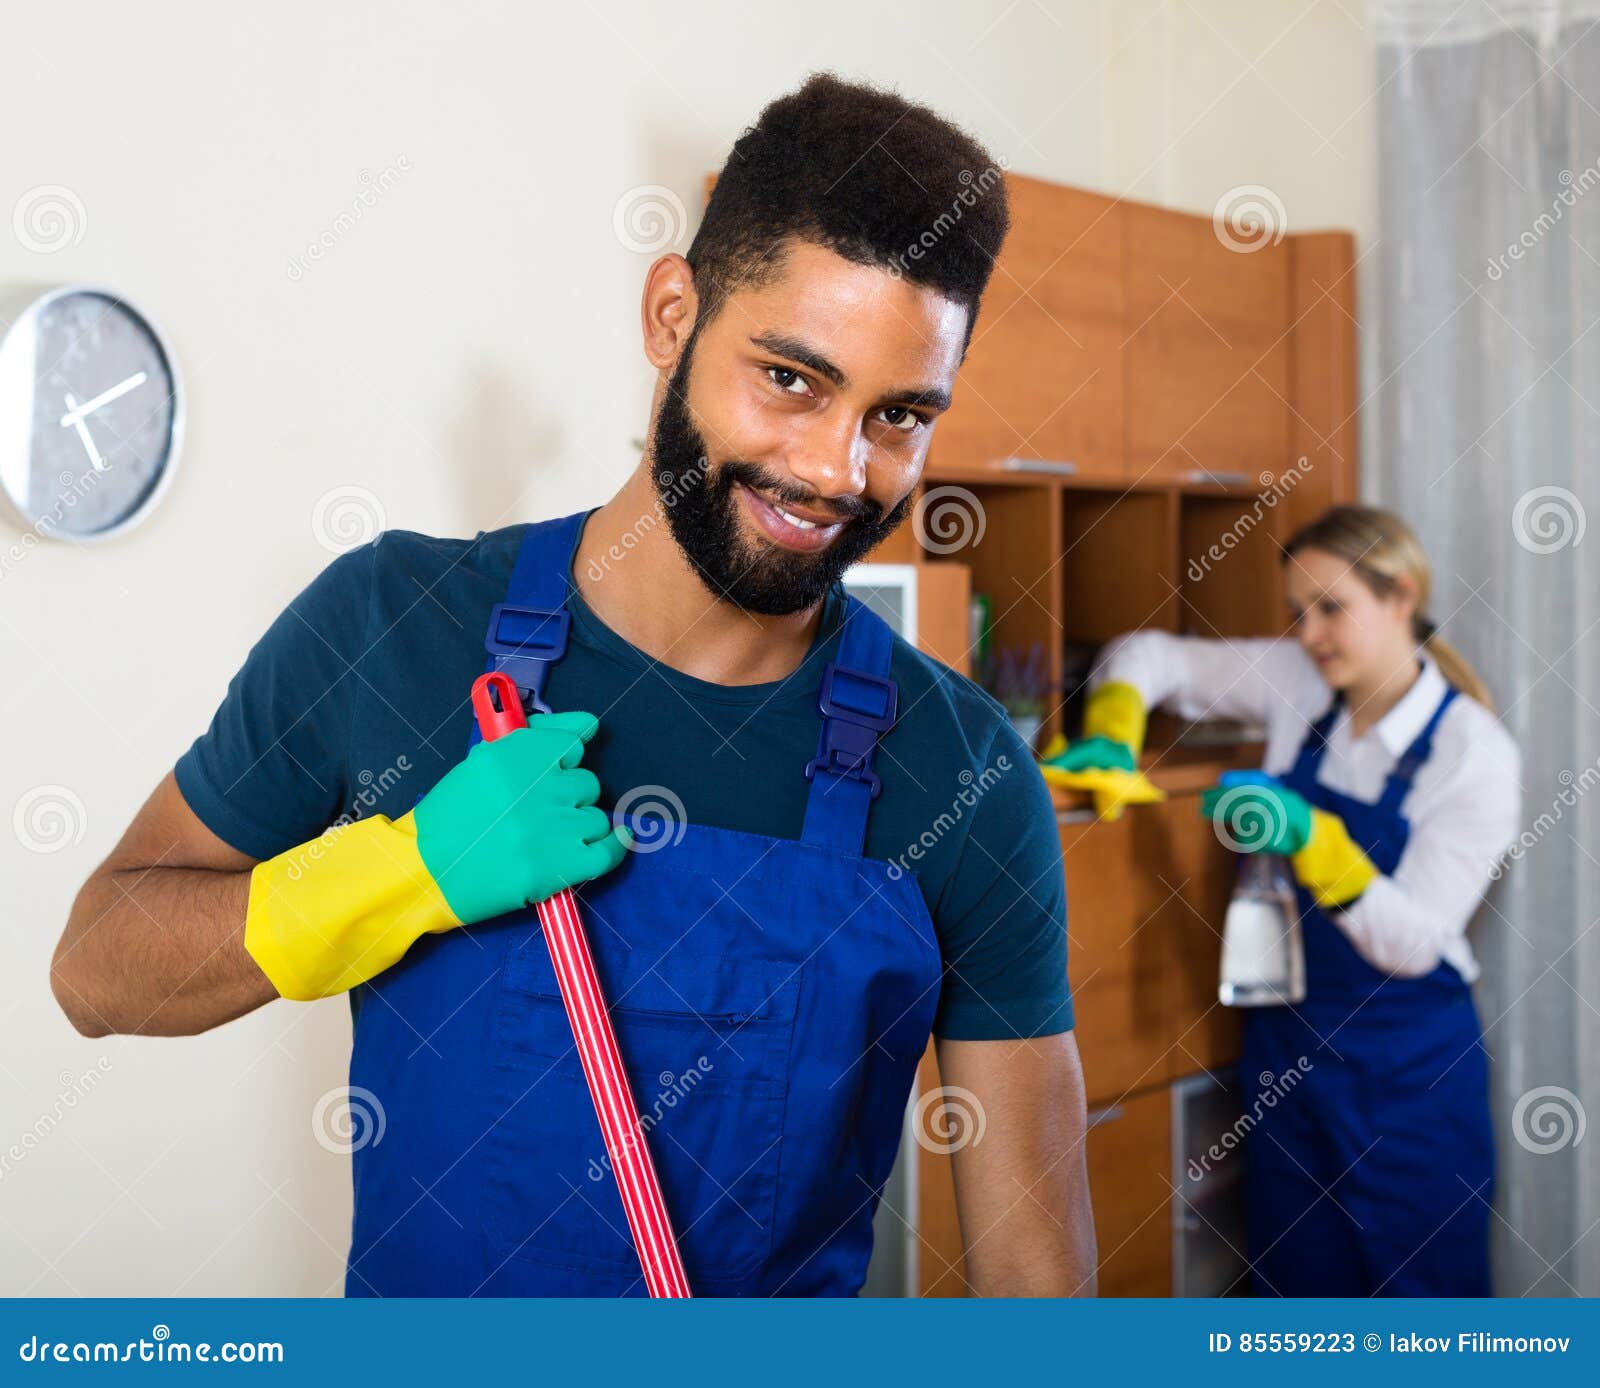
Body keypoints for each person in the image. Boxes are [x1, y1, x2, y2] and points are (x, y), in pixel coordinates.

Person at [50, 74, 1096, 1298]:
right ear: (671, 315)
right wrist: (403, 872)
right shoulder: (395, 624)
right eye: (789, 379)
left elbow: (1039, 1295)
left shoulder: (963, 773)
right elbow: (97, 966)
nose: (835, 468)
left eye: (901, 414)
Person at [1049, 505, 1520, 1296]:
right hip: (1287, 1057)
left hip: (1409, 1079)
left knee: (1420, 1307)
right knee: (1295, 1290)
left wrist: (1315, 840)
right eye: (1298, 612)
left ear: (1401, 597)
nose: (1310, 635)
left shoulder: (1472, 753)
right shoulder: (1300, 681)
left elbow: (1411, 944)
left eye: (1331, 608)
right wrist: (1115, 725)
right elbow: (1144, 654)